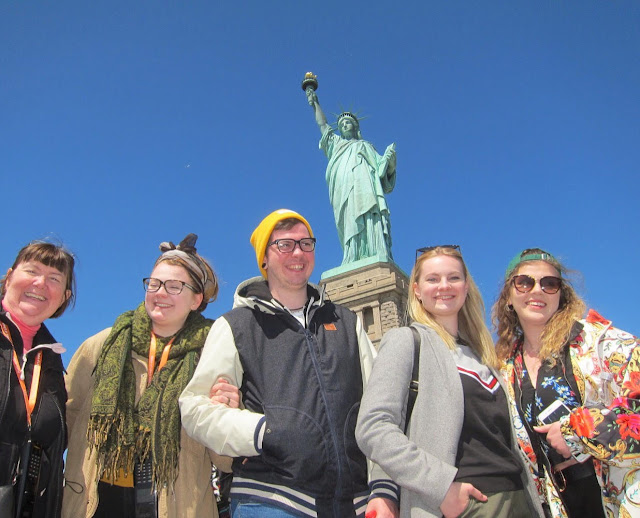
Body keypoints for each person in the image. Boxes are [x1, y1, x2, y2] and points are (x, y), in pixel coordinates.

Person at [179, 209, 398, 518]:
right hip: (272, 502)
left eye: (306, 244)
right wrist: (262, 432)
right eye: (284, 244)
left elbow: (379, 407)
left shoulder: (347, 322)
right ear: (264, 259)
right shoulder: (235, 326)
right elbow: (195, 407)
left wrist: (384, 486)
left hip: (358, 504)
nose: (298, 252)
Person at [356, 245, 544, 518]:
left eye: (453, 277)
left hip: (519, 498)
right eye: (433, 279)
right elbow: (373, 427)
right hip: (467, 504)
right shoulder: (406, 341)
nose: (444, 286)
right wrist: (441, 486)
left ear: (466, 287)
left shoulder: (484, 356)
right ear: (417, 290)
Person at [62, 234, 236, 518]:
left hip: (178, 506)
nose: (161, 293)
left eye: (175, 286)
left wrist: (228, 415)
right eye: (154, 283)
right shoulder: (101, 346)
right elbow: (63, 422)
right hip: (94, 503)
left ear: (196, 300)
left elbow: (226, 461)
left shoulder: (213, 359)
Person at [492, 248, 640, 517]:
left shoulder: (602, 342)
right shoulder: (503, 368)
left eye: (549, 283)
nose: (537, 290)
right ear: (509, 297)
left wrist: (577, 432)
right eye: (524, 282)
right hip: (560, 505)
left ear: (561, 295)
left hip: (623, 499)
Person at [0, 241, 75, 518]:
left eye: (54, 278)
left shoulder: (51, 362)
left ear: (64, 296)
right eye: (32, 271)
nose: (41, 283)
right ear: (10, 277)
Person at [306, 87, 396, 265]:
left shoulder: (366, 146)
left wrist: (390, 162)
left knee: (369, 215)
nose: (344, 125)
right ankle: (352, 255)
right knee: (348, 220)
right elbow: (323, 126)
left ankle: (374, 250)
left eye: (348, 123)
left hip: (365, 188)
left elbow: (383, 173)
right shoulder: (336, 144)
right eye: (341, 124)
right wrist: (315, 103)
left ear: (355, 126)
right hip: (343, 189)